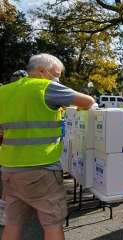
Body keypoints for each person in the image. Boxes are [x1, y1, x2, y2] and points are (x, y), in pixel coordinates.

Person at [0, 53, 95, 240]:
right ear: (42, 71)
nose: (57, 79)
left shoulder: (4, 91)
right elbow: (89, 101)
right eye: (56, 74)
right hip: (41, 168)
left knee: (13, 223)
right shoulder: (45, 87)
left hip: (9, 169)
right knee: (52, 224)